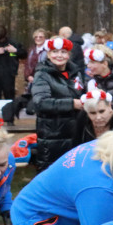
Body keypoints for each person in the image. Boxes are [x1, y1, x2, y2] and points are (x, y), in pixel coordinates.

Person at [31, 36, 86, 171]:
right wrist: (71, 104)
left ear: (68, 55)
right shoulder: (42, 75)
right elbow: (40, 103)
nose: (59, 55)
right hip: (52, 136)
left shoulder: (75, 73)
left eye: (63, 52)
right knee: (53, 172)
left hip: (76, 132)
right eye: (55, 52)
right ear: (49, 54)